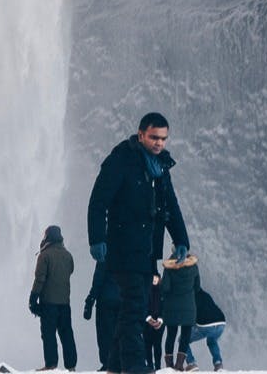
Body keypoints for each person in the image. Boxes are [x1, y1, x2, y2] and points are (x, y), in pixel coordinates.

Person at [88, 112, 191, 374]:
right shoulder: (121, 159)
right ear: (141, 134)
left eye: (164, 138)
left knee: (133, 307)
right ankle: (134, 366)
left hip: (147, 251)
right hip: (122, 247)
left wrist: (181, 240)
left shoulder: (161, 166)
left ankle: (114, 367)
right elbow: (98, 200)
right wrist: (97, 238)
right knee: (135, 306)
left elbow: (171, 206)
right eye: (154, 137)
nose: (159, 143)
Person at [30, 225, 77, 372]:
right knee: (67, 334)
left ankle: (51, 364)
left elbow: (39, 279)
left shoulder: (44, 255)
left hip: (48, 303)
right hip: (65, 303)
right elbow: (71, 271)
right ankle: (71, 366)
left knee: (48, 334)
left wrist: (33, 298)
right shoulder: (68, 255)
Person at [160, 253, 200, 371]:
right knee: (185, 336)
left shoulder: (169, 268)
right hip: (188, 306)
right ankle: (179, 364)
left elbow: (165, 288)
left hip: (171, 307)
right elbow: (197, 287)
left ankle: (169, 366)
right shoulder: (193, 267)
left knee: (171, 335)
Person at [84, 260, 121, 372]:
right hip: (122, 300)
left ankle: (108, 363)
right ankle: (119, 362)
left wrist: (90, 300)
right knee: (120, 333)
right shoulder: (125, 255)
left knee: (105, 334)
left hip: (105, 301)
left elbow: (98, 280)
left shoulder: (104, 257)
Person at [183, 284, 227, 372]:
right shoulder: (206, 294)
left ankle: (191, 363)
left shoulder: (190, 297)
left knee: (183, 339)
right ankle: (218, 364)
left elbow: (190, 316)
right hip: (221, 323)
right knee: (212, 341)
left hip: (206, 324)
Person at [144, 271, 165, 372]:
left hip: (159, 322)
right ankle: (149, 365)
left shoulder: (162, 291)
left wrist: (160, 319)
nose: (154, 279)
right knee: (147, 344)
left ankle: (157, 366)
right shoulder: (145, 290)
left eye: (156, 277)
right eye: (153, 277)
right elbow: (142, 305)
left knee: (157, 344)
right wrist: (148, 318)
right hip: (147, 322)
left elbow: (165, 306)